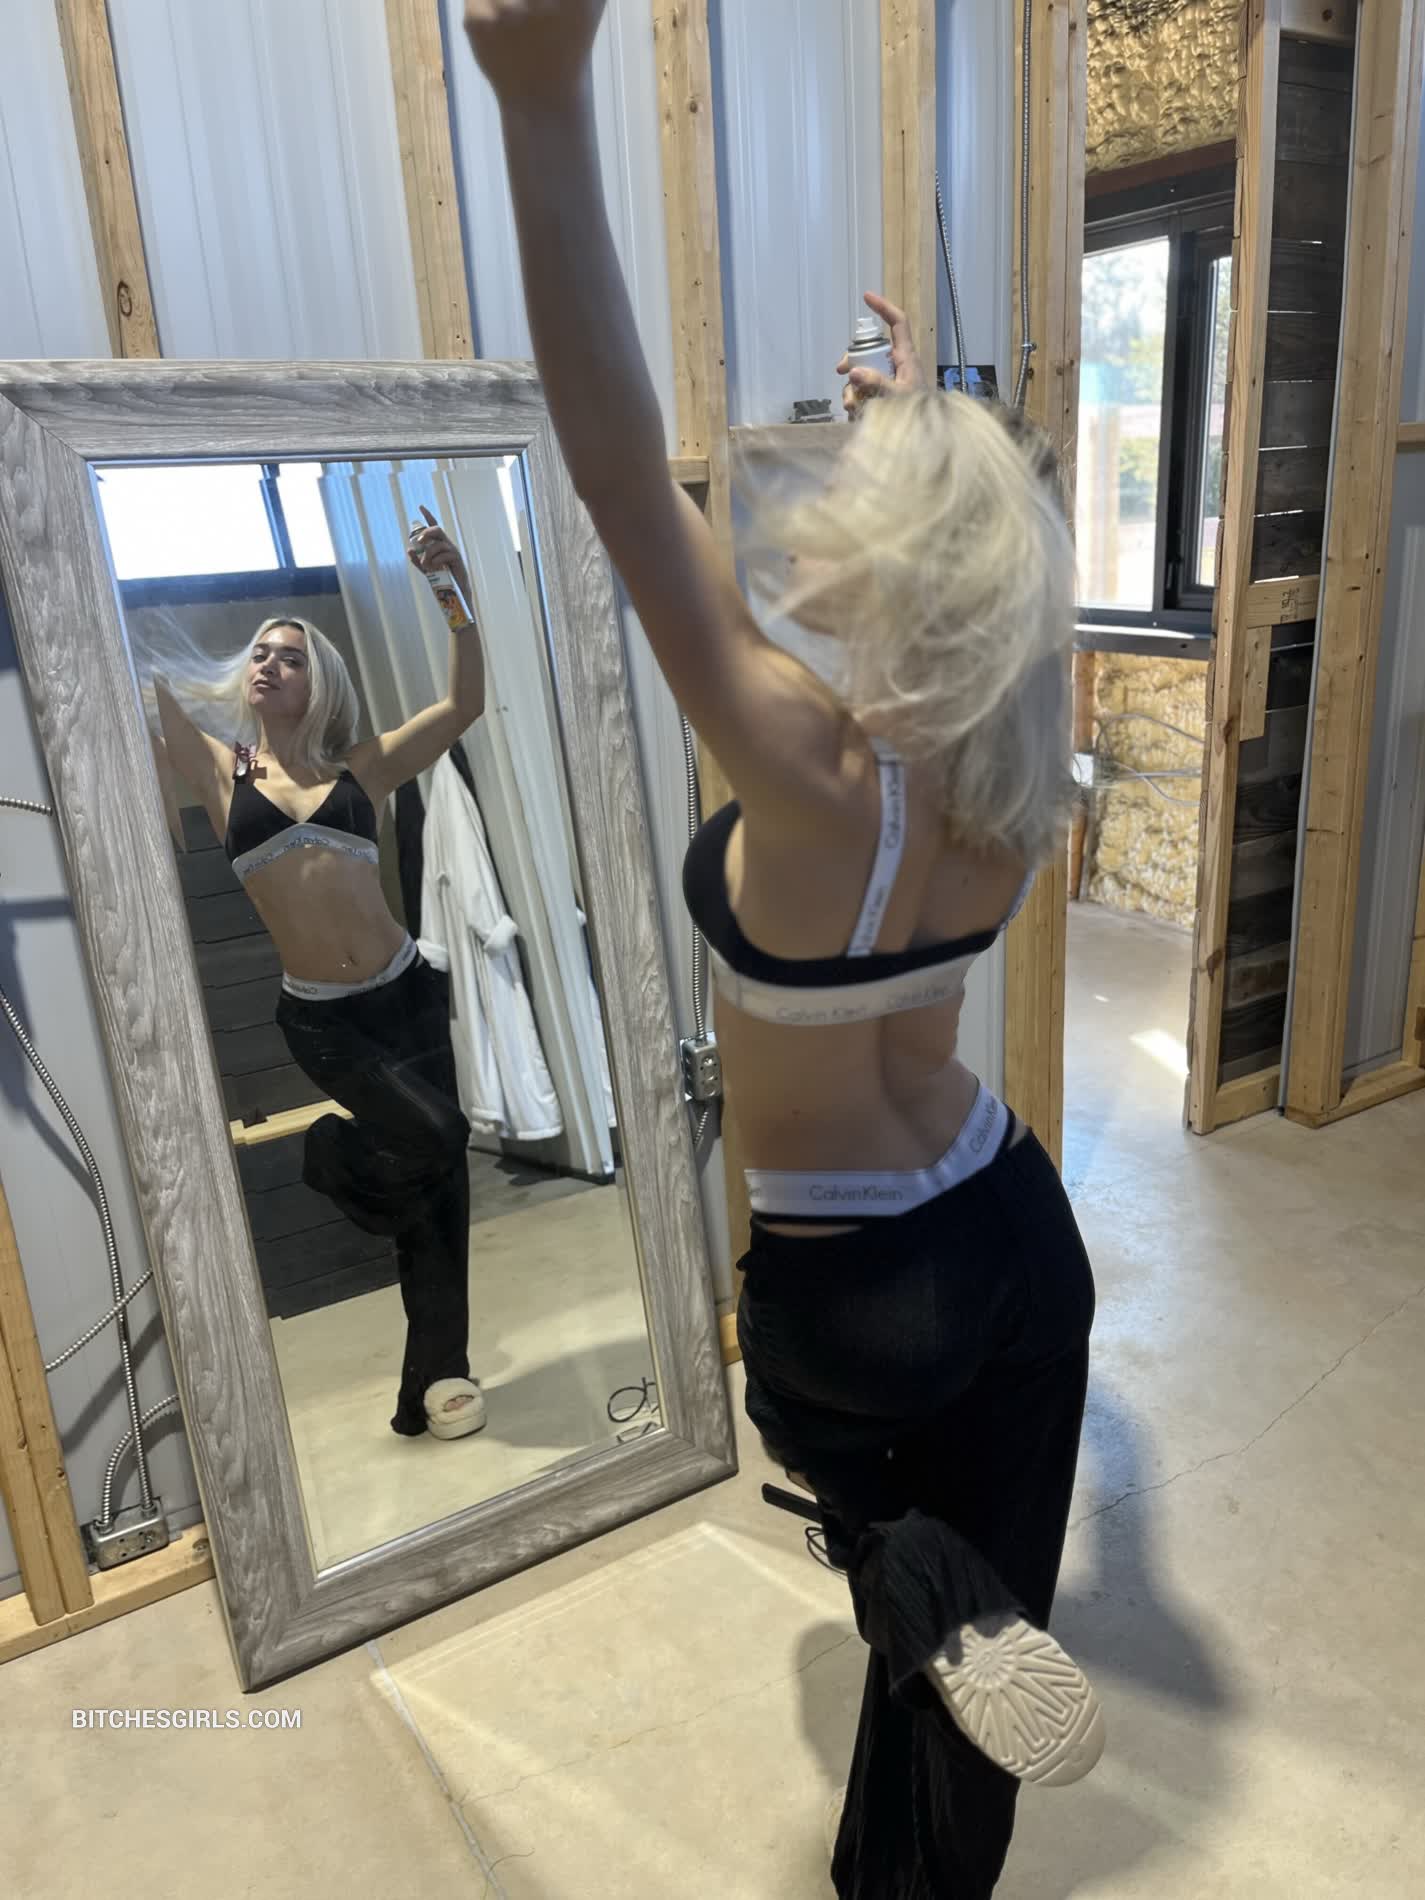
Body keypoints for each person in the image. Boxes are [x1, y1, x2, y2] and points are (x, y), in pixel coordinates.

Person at [462, 4, 1101, 1892]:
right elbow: (983, 562)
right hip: (1011, 1232)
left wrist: (542, 103)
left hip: (848, 1279)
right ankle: (931, 1632)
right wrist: (921, 417)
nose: (804, 496)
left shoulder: (809, 773)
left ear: (899, 565)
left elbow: (612, 473)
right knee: (993, 1613)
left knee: (851, 1481)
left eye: (846, 485)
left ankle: (898, 1566)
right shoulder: (1011, 784)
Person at [146, 510, 489, 1443]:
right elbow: (138, 679)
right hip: (325, 1021)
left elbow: (462, 707)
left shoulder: (357, 770)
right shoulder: (224, 773)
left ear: (319, 678)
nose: (269, 664)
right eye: (260, 653)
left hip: (407, 994)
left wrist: (451, 592)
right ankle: (331, 1154)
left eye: (290, 656)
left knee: (439, 1202)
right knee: (439, 1135)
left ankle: (435, 1382)